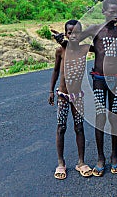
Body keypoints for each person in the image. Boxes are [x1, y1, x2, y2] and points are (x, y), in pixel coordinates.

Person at [74, 0, 117, 176]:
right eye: (111, 12)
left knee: (115, 118)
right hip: (99, 80)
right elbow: (75, 40)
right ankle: (101, 158)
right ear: (104, 12)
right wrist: (65, 39)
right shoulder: (95, 29)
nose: (115, 15)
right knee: (100, 118)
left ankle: (113, 156)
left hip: (116, 80)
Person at [48, 19, 92, 179]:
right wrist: (51, 91)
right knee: (61, 127)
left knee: (79, 128)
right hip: (63, 96)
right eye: (70, 33)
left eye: (77, 33)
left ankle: (81, 162)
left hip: (78, 96)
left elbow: (100, 49)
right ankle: (61, 163)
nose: (74, 35)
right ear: (66, 34)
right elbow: (55, 71)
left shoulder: (84, 49)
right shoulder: (60, 51)